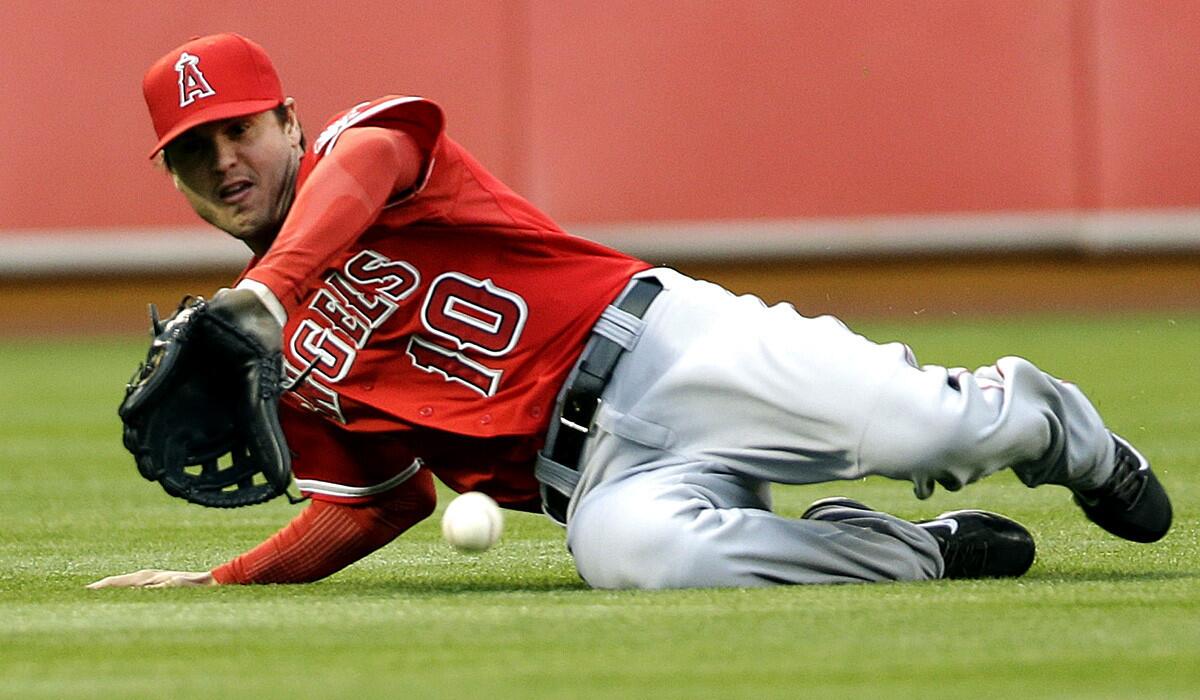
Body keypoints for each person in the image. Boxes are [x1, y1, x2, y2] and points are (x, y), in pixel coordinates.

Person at [89, 33, 1171, 591]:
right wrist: (224, 576)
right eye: (194, 150)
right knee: (636, 561)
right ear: (171, 176)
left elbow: (366, 167)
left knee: (943, 428)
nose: (225, 159)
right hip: (599, 483)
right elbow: (378, 503)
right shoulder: (260, 353)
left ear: (288, 116)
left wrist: (265, 294)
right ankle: (920, 551)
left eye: (240, 129)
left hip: (668, 348)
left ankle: (1048, 419)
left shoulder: (355, 152)